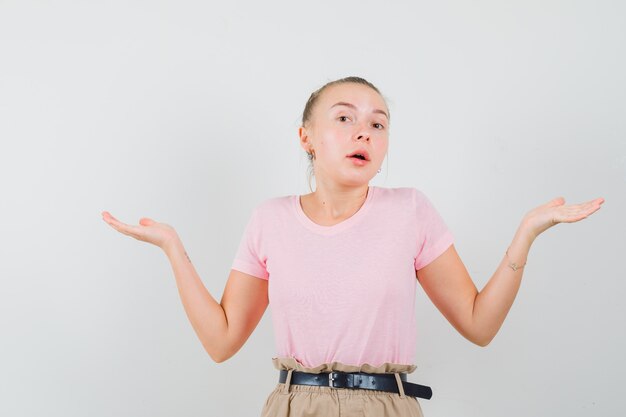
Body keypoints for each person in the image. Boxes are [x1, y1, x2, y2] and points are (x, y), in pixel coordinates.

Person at [101, 76, 604, 417]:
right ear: (307, 137)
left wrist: (527, 232)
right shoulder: (269, 219)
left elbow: (479, 324)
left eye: (378, 123)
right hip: (295, 404)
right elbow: (221, 341)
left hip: (387, 407)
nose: (364, 129)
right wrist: (172, 247)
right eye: (344, 118)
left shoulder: (411, 211)